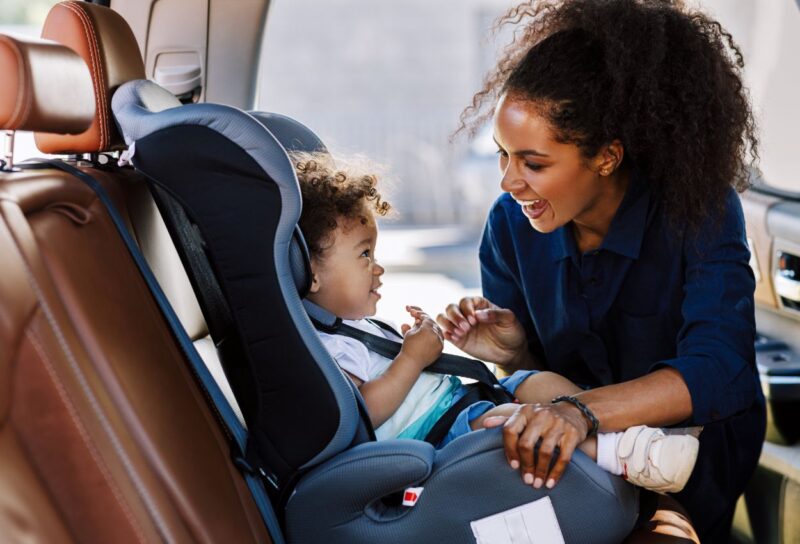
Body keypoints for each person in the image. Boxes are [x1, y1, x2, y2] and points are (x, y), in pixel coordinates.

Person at [437, 0, 767, 542]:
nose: (508, 183)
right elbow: (537, 385)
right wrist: (515, 355)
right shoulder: (510, 226)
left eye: (533, 163)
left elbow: (720, 369)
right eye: (502, 155)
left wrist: (579, 412)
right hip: (575, 462)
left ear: (607, 157)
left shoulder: (699, 209)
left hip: (686, 463)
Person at [293, 150, 699, 494]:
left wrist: (415, 345)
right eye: (364, 255)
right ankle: (624, 457)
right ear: (309, 272)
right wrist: (411, 360)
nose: (378, 269)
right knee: (512, 422)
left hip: (461, 405)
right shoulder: (323, 347)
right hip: (436, 438)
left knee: (534, 382)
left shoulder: (355, 329)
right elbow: (362, 413)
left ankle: (625, 434)